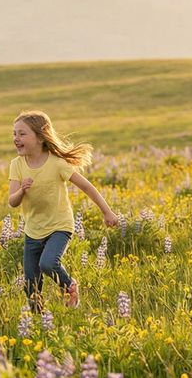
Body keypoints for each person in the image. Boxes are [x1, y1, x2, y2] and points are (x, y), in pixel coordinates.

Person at [8, 110, 118, 309]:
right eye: (14, 134)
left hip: (60, 225)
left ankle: (69, 285)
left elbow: (86, 186)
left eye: (22, 134)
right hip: (32, 230)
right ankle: (38, 323)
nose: (16, 138)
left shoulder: (57, 163)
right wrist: (22, 191)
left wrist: (107, 211)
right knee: (31, 285)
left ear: (40, 137)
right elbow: (12, 201)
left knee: (48, 263)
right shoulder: (16, 165)